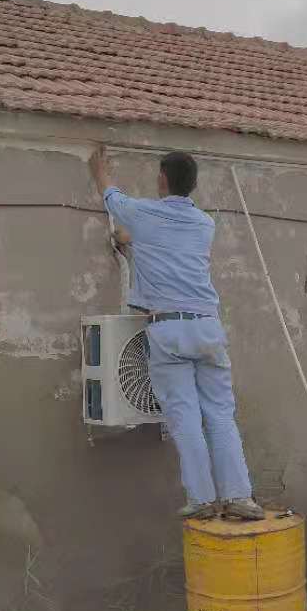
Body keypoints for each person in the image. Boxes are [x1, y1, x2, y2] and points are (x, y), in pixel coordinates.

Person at [88, 146, 264, 521]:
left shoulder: (143, 213)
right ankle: (239, 496)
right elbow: (168, 246)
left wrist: (99, 170)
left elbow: (111, 198)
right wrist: (133, 242)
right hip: (207, 326)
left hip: (169, 329)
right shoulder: (204, 225)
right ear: (193, 184)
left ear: (162, 179)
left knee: (184, 416)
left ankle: (202, 499)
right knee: (220, 414)